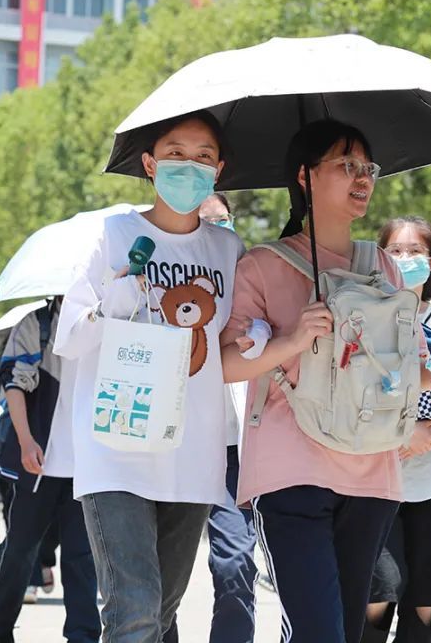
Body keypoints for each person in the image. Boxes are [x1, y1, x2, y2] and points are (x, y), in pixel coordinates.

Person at [220, 120, 431, 643]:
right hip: (291, 473)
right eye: (345, 165)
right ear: (305, 177)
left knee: (349, 632)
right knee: (317, 632)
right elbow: (225, 364)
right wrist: (292, 339)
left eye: (367, 167)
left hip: (372, 471)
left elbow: (413, 364)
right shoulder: (261, 265)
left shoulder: (382, 266)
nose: (362, 178)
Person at [54, 109, 245, 642]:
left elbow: (229, 350)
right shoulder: (112, 236)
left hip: (192, 454)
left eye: (203, 157)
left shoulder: (228, 251)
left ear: (219, 170)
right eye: (176, 154)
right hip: (116, 450)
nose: (189, 166)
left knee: (160, 613)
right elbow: (68, 337)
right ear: (149, 163)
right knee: (133, 609)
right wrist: (115, 300)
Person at [360, 217, 431, 643]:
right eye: (395, 250)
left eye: (415, 251)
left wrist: (430, 433)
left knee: (425, 601)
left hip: (430, 482)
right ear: (379, 257)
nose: (405, 259)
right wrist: (400, 434)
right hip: (376, 479)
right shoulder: (365, 314)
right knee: (380, 591)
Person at [164, 193, 258, 643]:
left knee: (236, 563)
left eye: (223, 221)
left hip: (232, 451)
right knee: (165, 574)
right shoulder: (164, 287)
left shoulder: (253, 281)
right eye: (205, 223)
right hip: (173, 447)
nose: (216, 231)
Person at [0, 297, 101, 643]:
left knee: (82, 557)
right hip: (38, 462)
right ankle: (1, 628)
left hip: (88, 466)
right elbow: (14, 383)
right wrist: (25, 440)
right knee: (21, 549)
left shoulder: (106, 316)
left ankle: (82, 635)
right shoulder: (37, 324)